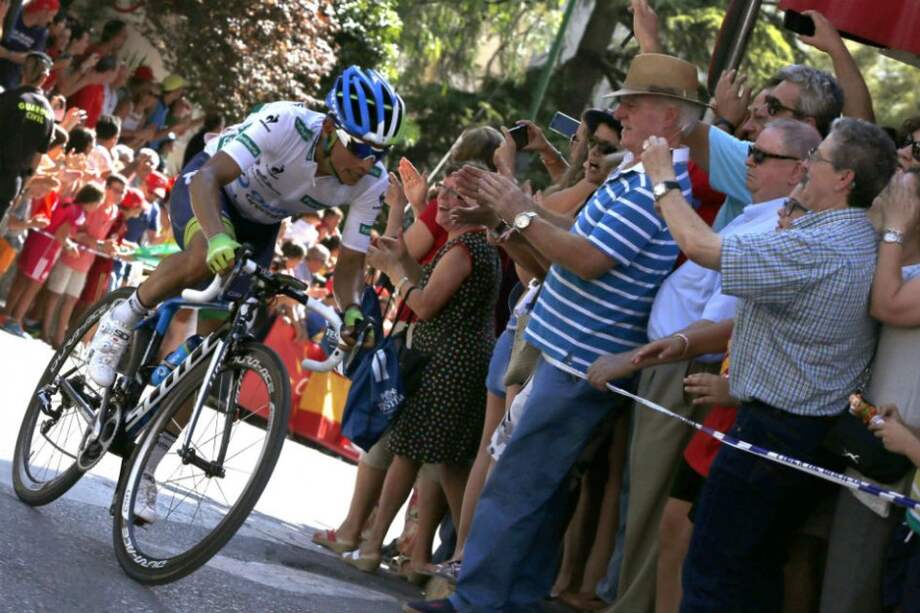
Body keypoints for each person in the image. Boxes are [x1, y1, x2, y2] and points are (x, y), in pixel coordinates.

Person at [404, 52, 703, 613]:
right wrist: (508, 217)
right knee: (533, 491)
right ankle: (504, 601)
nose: (626, 116)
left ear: (668, 116)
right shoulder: (641, 177)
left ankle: (476, 603)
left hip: (574, 358)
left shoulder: (652, 186)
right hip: (567, 353)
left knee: (517, 486)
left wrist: (516, 210)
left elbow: (587, 259)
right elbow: (570, 233)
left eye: (634, 106)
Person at [640, 116, 896, 611]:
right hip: (792, 430)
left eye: (818, 159)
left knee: (716, 576)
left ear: (844, 178)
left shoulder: (819, 245)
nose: (806, 167)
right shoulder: (842, 234)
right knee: (748, 576)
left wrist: (661, 179)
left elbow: (700, 246)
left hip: (774, 435)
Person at [587, 118, 820, 613]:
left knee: (669, 519)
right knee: (661, 512)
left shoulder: (786, 224)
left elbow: (724, 316)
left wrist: (635, 358)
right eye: (750, 152)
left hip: (706, 377)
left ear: (800, 170)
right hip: (692, 369)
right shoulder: (760, 211)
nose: (749, 161)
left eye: (761, 155)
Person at [85, 65, 405, 389]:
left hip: (261, 224)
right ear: (327, 129)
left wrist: (351, 308)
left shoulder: (373, 182)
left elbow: (350, 262)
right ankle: (122, 318)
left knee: (215, 353)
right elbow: (209, 178)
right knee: (201, 256)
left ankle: (163, 437)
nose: (367, 163)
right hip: (212, 189)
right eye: (359, 147)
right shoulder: (286, 123)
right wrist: (217, 237)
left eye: (379, 153)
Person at [0, 51, 54, 222]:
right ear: (45, 78)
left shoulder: (8, 98)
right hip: (10, 183)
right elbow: (37, 158)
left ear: (22, 71)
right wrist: (22, 187)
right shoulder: (48, 113)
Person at [0, 0, 58, 91]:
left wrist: (7, 54)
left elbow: (31, 58)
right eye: (51, 15)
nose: (50, 20)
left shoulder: (41, 33)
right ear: (43, 11)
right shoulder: (14, 14)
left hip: (9, 82)